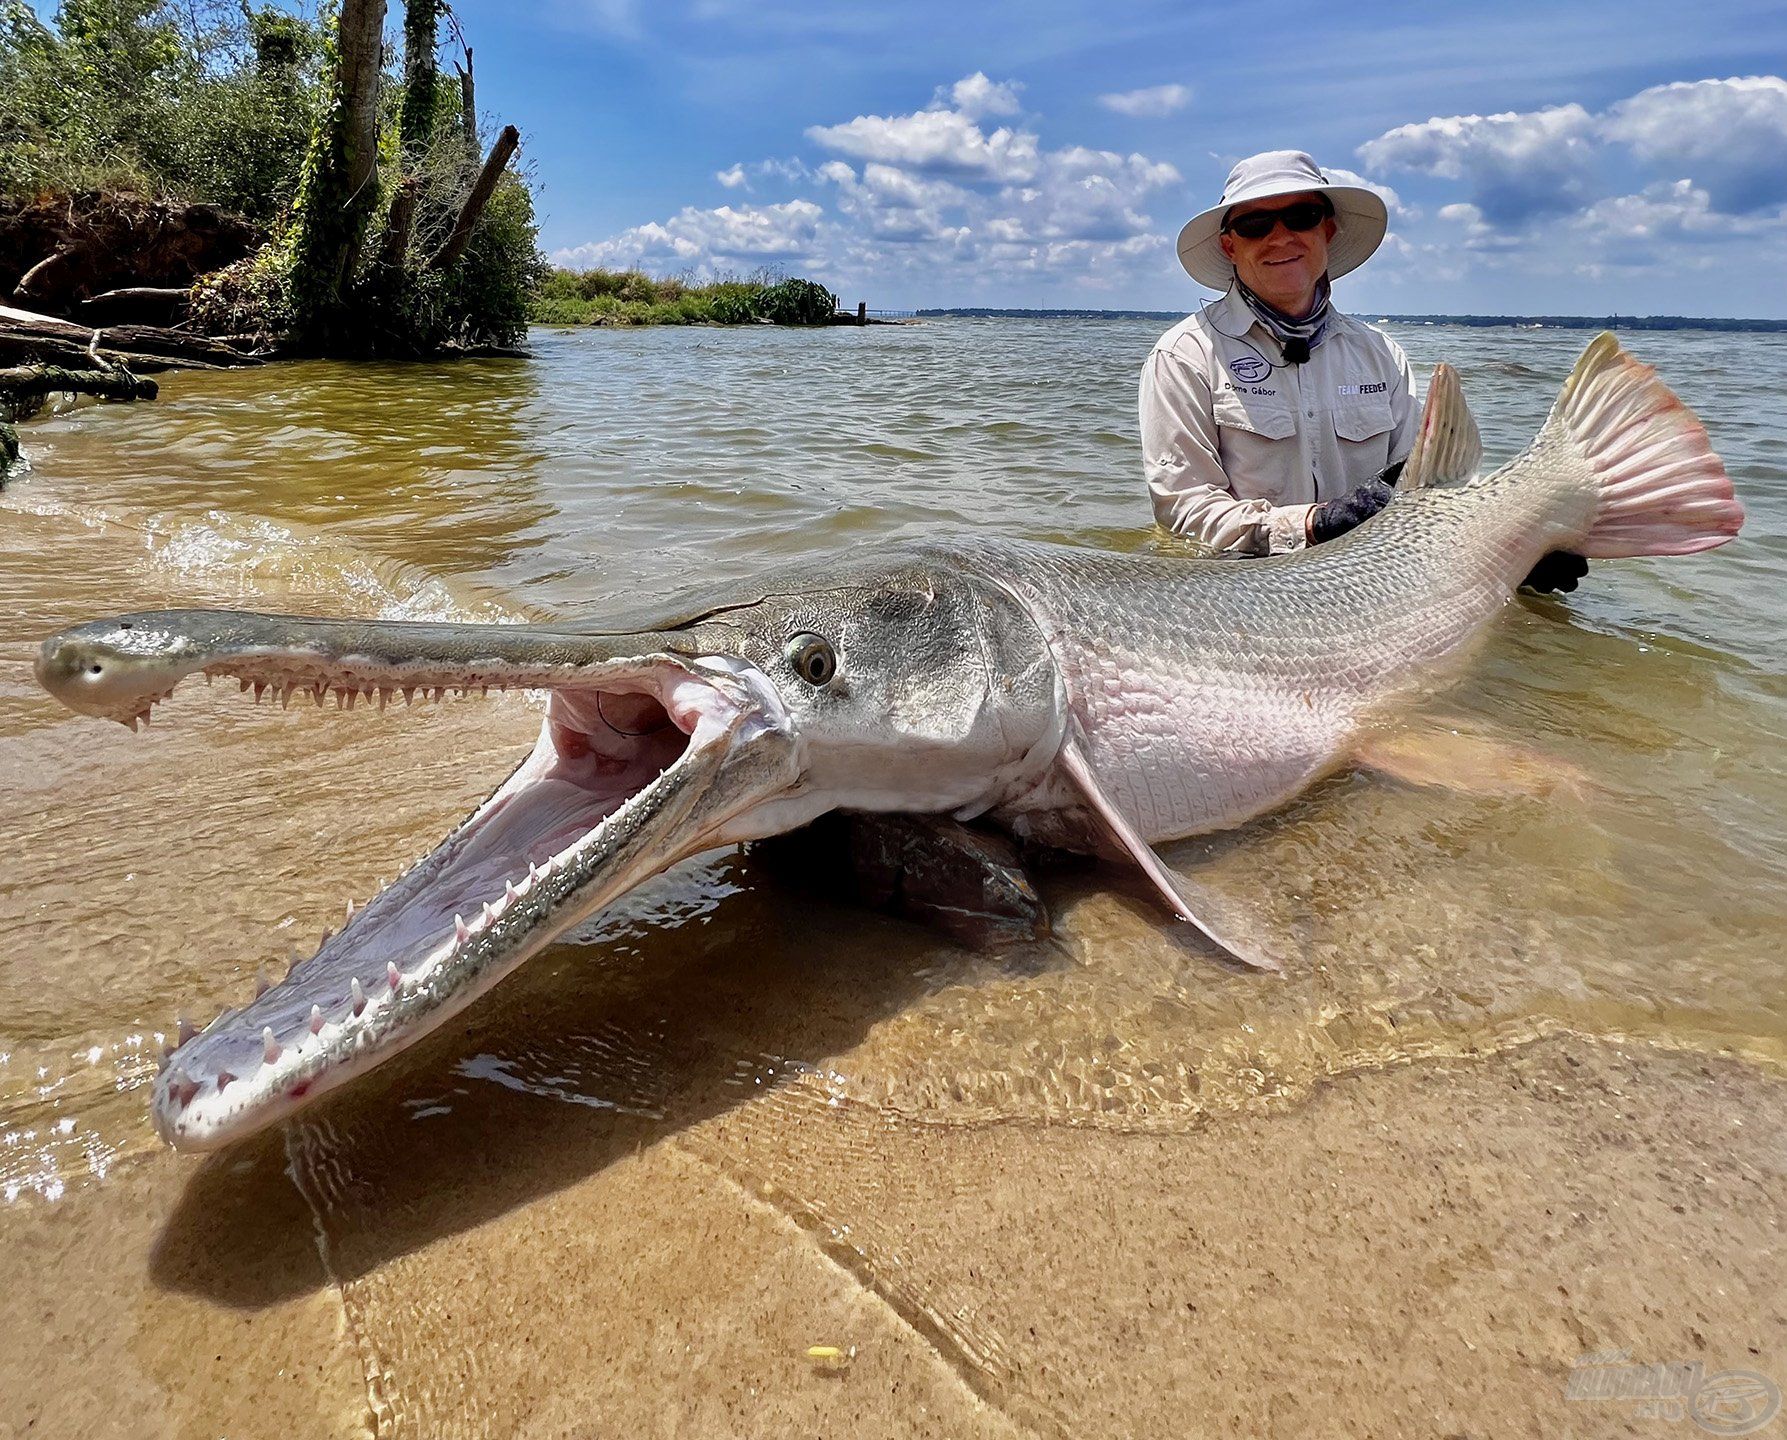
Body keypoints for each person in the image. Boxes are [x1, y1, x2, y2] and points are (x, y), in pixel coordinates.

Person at [1139, 150, 1588, 590]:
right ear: (1229, 245)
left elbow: (1428, 494)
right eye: (1254, 225)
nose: (1280, 237)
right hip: (1240, 592)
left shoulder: (1381, 354)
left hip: (1373, 587)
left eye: (1301, 216)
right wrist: (1315, 524)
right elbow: (1184, 512)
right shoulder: (1184, 355)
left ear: (1327, 231)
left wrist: (1514, 552)